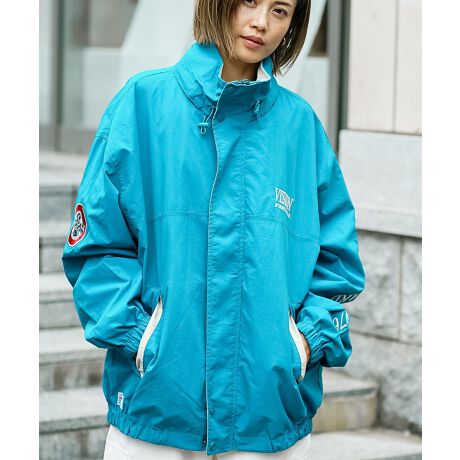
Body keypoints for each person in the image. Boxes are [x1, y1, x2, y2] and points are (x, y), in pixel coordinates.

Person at [61, 0, 366, 458]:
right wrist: (143, 339)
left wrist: (301, 344)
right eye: (250, 1)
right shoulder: (143, 105)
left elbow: (337, 262)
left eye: (280, 10)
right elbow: (96, 247)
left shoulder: (300, 127)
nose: (261, 22)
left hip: (266, 416)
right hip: (157, 413)